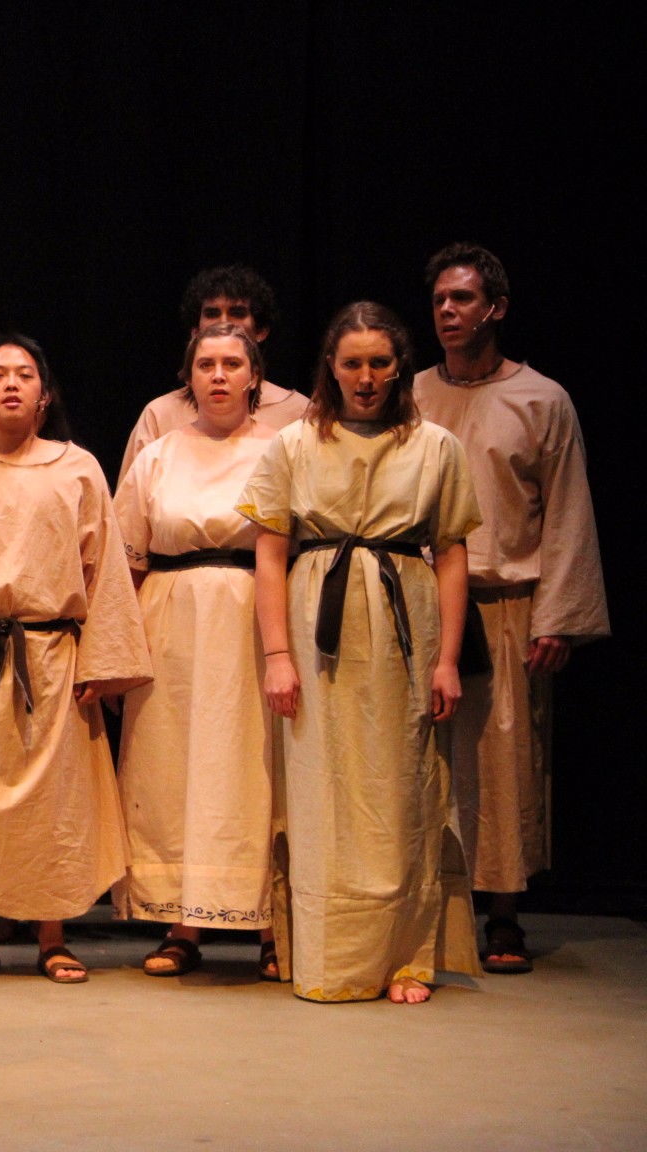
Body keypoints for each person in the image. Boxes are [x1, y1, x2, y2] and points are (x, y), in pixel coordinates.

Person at [238, 301, 483, 1004]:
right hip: (319, 626)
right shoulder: (293, 444)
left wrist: (447, 660)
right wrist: (277, 655)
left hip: (406, 625)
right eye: (353, 363)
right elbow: (270, 552)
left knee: (403, 787)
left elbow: (452, 554)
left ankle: (405, 958)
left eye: (380, 363)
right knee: (322, 789)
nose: (367, 377)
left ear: (399, 366)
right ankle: (328, 955)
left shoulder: (436, 446)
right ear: (332, 367)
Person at [0, 333, 151, 987]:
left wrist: (103, 661)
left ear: (44, 394)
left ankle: (53, 936)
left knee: (56, 803)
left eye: (24, 373)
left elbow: (103, 570)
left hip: (52, 654)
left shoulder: (78, 468)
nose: (11, 383)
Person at [413, 243, 609, 974]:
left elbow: (567, 511)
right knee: (423, 755)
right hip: (424, 600)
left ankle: (501, 914)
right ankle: (426, 909)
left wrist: (558, 616)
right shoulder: (412, 393)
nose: (448, 311)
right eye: (439, 300)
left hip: (506, 602)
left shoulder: (541, 398)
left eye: (462, 298)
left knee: (503, 762)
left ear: (495, 308)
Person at [112, 323, 279, 978]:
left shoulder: (282, 450)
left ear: (254, 376)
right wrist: (118, 655)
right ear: (189, 377)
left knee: (250, 769)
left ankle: (271, 923)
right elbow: (126, 563)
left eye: (232, 364)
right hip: (172, 624)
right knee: (173, 768)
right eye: (206, 364)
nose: (218, 375)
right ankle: (182, 923)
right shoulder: (159, 454)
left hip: (250, 622)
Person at [119, 265, 310, 478]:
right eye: (212, 313)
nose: (224, 322)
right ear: (195, 331)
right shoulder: (160, 414)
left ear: (261, 331)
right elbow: (132, 494)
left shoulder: (297, 412)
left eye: (237, 313)